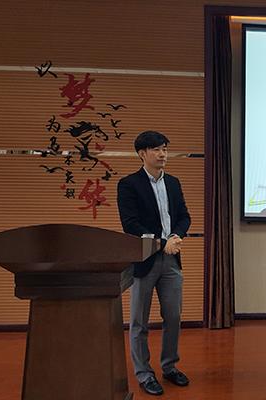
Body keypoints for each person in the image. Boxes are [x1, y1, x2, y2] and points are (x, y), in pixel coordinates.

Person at [117, 130, 191, 396]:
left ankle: (169, 366)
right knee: (139, 321)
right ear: (142, 153)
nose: (162, 154)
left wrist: (177, 235)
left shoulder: (173, 182)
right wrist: (162, 242)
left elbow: (184, 216)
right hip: (144, 261)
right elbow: (131, 224)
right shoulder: (129, 184)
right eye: (157, 149)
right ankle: (144, 373)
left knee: (173, 316)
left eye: (165, 149)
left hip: (171, 259)